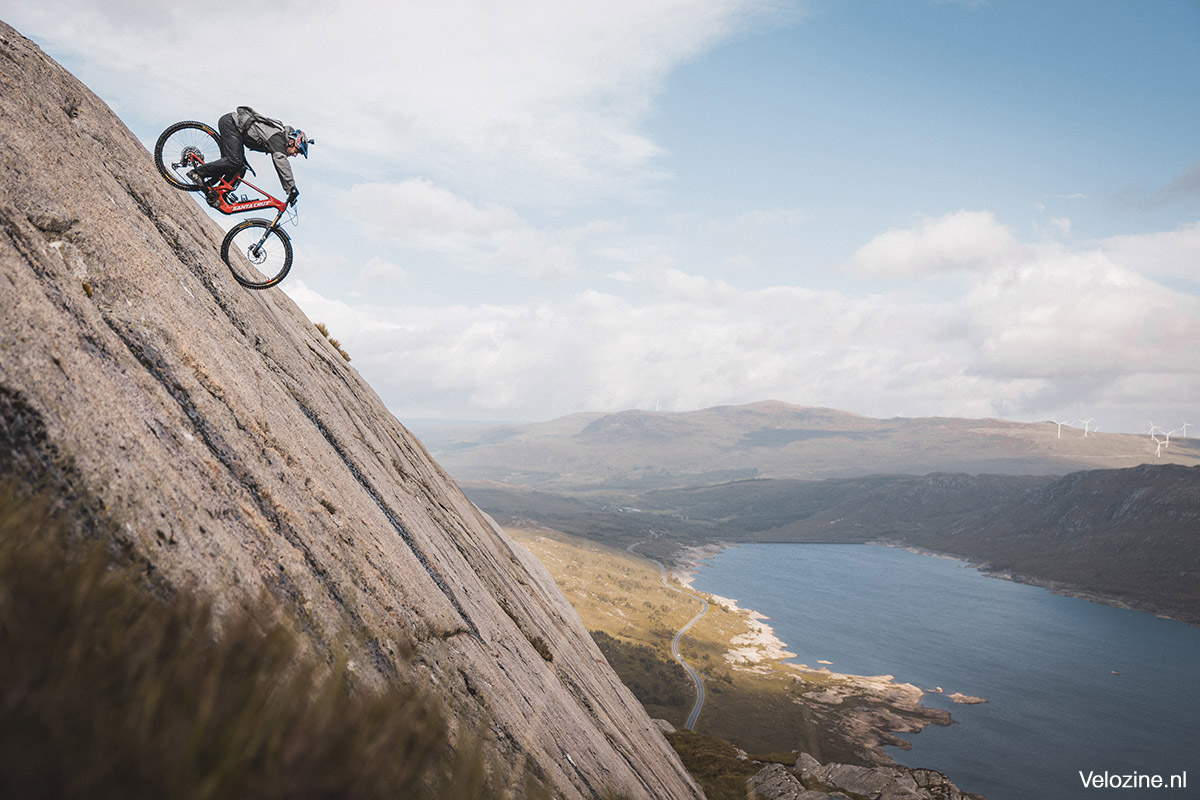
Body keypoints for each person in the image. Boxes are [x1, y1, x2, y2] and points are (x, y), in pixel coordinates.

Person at [187, 106, 312, 207]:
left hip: (237, 133)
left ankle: (216, 194)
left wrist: (289, 190)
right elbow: (280, 161)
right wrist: (291, 188)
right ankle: (197, 173)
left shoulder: (279, 140)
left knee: (241, 168)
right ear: (292, 142)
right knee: (234, 161)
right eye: (298, 151)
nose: (295, 155)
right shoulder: (278, 138)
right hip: (231, 124)